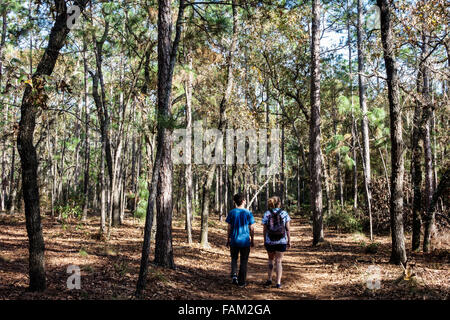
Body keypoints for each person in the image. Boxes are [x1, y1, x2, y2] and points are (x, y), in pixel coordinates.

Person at [226, 193, 255, 288]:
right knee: (244, 260)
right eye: (245, 200)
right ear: (243, 201)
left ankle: (234, 276)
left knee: (234, 258)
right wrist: (252, 239)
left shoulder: (232, 212)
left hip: (234, 240)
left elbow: (229, 228)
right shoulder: (248, 213)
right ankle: (241, 282)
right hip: (245, 241)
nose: (246, 201)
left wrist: (228, 239)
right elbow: (252, 228)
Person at [262, 196, 291, 289]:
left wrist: (265, 240)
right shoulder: (284, 213)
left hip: (270, 241)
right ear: (279, 203)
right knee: (279, 261)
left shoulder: (267, 213)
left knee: (270, 260)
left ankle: (269, 279)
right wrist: (289, 240)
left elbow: (264, 229)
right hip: (281, 240)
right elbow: (287, 229)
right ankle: (278, 283)